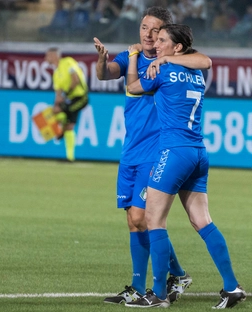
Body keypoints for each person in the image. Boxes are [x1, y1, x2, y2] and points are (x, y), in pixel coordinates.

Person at [94, 6, 212, 305]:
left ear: (165, 35)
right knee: (134, 221)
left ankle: (170, 278)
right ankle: (147, 283)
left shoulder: (171, 63)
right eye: (144, 28)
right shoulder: (130, 57)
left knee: (144, 216)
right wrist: (102, 59)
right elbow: (105, 74)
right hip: (131, 150)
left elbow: (204, 60)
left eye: (154, 30)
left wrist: (168, 57)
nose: (147, 34)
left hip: (157, 150)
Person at [125, 23, 247, 309]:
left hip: (174, 152)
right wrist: (164, 58)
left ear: (177, 47)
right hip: (198, 153)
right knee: (202, 221)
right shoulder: (195, 74)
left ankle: (159, 294)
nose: (156, 44)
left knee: (154, 221)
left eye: (163, 40)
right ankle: (232, 287)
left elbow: (132, 87)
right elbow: (204, 60)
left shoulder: (163, 70)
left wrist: (134, 58)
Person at [44, 47, 89, 162]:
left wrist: (64, 96)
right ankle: (70, 157)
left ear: (54, 56)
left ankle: (61, 132)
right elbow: (58, 95)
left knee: (59, 113)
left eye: (48, 55)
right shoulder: (56, 73)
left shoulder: (68, 62)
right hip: (69, 100)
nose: (46, 58)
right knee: (68, 125)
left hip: (80, 97)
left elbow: (75, 80)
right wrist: (56, 105)